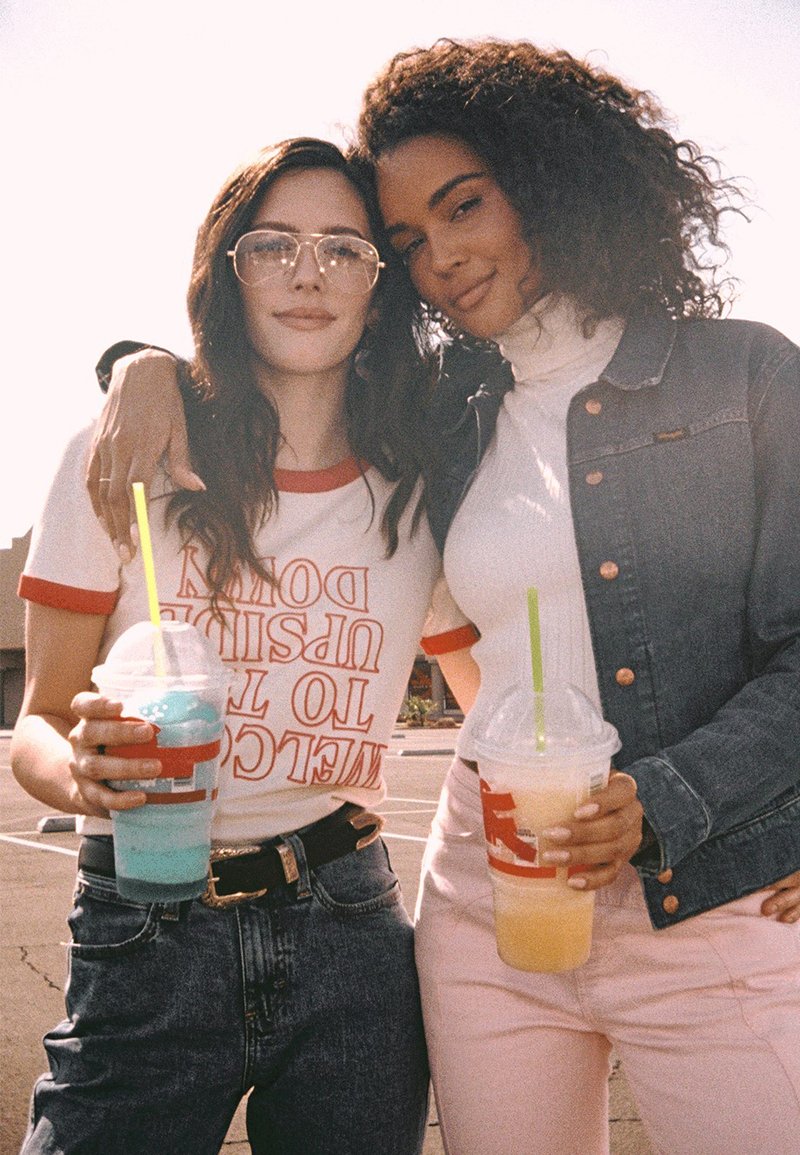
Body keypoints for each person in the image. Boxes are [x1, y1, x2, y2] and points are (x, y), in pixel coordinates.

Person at [82, 39, 800, 1155]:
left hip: (701, 904)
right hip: (481, 907)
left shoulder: (745, 376)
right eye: (408, 241)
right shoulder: (444, 414)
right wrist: (141, 364)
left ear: (551, 182)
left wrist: (683, 797)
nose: (441, 260)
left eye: (465, 207)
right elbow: (283, 356)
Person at [12, 136, 485, 1155]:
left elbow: (493, 699)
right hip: (144, 921)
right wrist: (82, 775)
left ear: (379, 282)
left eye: (343, 249)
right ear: (225, 270)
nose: (307, 274)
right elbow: (38, 723)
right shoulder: (121, 459)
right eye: (272, 245)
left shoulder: (413, 494)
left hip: (350, 928)